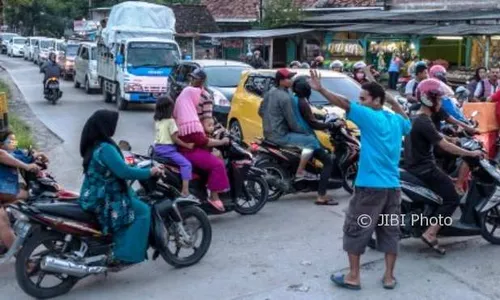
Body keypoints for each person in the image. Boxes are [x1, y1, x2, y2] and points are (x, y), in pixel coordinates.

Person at [309, 67, 411, 290]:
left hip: (369, 188)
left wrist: (321, 89)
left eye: (364, 98)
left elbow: (344, 104)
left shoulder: (369, 115)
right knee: (390, 231)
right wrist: (393, 102)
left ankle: (353, 277)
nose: (360, 102)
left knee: (356, 228)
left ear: (375, 101)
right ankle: (389, 277)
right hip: (392, 188)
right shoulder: (394, 120)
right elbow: (408, 123)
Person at [403, 79, 483, 254]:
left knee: (448, 181)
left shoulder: (420, 118)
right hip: (424, 168)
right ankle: (431, 233)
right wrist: (469, 153)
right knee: (452, 197)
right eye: (438, 99)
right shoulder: (424, 120)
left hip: (417, 165)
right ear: (428, 100)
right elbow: (444, 146)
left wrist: (454, 138)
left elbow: (439, 136)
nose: (441, 102)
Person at [79, 110, 163, 265]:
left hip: (93, 192)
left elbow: (115, 167)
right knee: (143, 211)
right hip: (105, 197)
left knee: (134, 200)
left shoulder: (94, 144)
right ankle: (124, 255)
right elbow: (124, 172)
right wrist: (150, 172)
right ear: (105, 125)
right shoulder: (106, 148)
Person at [173, 68, 230, 211]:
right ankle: (214, 195)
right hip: (197, 137)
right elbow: (207, 121)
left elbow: (208, 118)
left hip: (190, 136)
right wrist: (218, 136)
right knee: (217, 161)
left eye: (195, 78)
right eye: (192, 78)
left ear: (202, 81)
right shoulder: (198, 95)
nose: (192, 80)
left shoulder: (185, 95)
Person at [259, 68, 320, 181]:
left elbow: (260, 112)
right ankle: (300, 171)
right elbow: (292, 121)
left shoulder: (269, 92)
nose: (291, 80)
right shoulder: (285, 97)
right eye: (288, 78)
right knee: (311, 140)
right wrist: (305, 131)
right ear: (281, 81)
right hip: (280, 135)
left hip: (267, 133)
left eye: (291, 77)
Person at [292, 76, 337, 205]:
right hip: (306, 137)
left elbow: (307, 116)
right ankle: (321, 196)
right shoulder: (303, 102)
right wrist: (330, 125)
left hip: (296, 134)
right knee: (328, 160)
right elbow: (313, 123)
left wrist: (320, 116)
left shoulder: (294, 99)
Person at [0, 133, 41, 254]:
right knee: (3, 223)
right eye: (10, 140)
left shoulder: (10, 152)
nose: (14, 142)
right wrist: (26, 166)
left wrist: (35, 155)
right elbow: (2, 154)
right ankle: (24, 261)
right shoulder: (3, 152)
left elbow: (20, 155)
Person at [153, 96, 196, 200]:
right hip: (168, 150)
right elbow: (175, 138)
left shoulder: (158, 120)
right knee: (186, 164)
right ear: (169, 108)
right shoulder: (171, 121)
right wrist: (187, 145)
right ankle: (185, 191)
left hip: (157, 148)